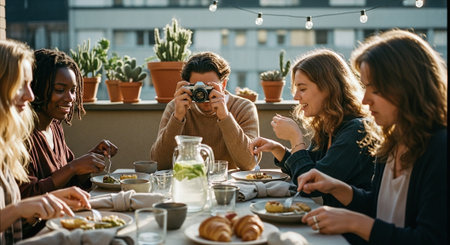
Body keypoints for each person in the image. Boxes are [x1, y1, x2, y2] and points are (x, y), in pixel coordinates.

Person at [298, 29, 447, 244]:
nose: (365, 100)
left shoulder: (439, 149)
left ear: (408, 88)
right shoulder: (391, 143)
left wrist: (354, 222)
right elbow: (378, 208)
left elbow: (430, 239)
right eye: (366, 87)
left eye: (375, 90)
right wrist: (335, 186)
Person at [249, 49, 377, 207]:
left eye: (302, 89)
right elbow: (307, 169)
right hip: (331, 219)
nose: (296, 97)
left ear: (329, 88)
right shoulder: (328, 127)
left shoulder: (357, 131)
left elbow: (310, 185)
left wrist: (296, 139)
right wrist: (279, 150)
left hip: (349, 226)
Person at [0, 39, 91, 244]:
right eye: (21, 85)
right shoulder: (21, 138)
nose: (30, 95)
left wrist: (55, 198)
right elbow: (22, 204)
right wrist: (20, 208)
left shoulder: (5, 145)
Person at [19, 48, 118, 198]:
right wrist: (73, 167)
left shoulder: (55, 127)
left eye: (73, 90)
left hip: (65, 215)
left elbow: (70, 182)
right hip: (45, 221)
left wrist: (90, 160)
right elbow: (28, 196)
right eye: (60, 90)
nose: (70, 98)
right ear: (36, 88)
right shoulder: (22, 136)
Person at [151, 51, 260, 170]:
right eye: (198, 88)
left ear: (223, 84)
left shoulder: (243, 107)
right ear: (187, 86)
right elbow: (159, 164)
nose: (203, 94)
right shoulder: (176, 107)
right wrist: (177, 118)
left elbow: (249, 163)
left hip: (228, 185)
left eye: (209, 88)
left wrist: (225, 117)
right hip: (189, 180)